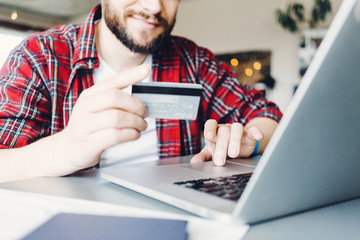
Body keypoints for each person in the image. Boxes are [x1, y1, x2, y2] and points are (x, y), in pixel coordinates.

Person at [0, 0, 282, 183]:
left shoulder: (193, 60)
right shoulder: (39, 56)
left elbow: (266, 114)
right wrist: (66, 147)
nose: (154, 6)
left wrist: (250, 143)